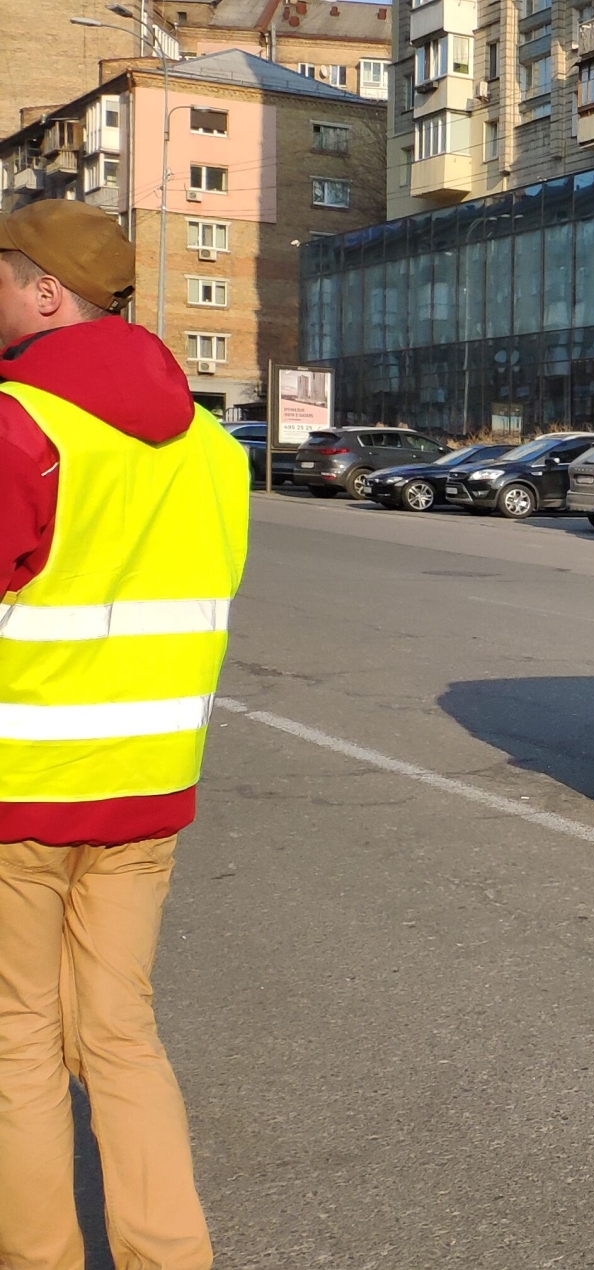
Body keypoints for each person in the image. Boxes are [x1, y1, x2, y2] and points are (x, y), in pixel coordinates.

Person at [0, 200, 246, 1270]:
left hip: (19, 787)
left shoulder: (20, 425)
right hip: (148, 785)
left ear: (45, 293)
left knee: (18, 1043)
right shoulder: (213, 450)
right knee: (119, 1032)